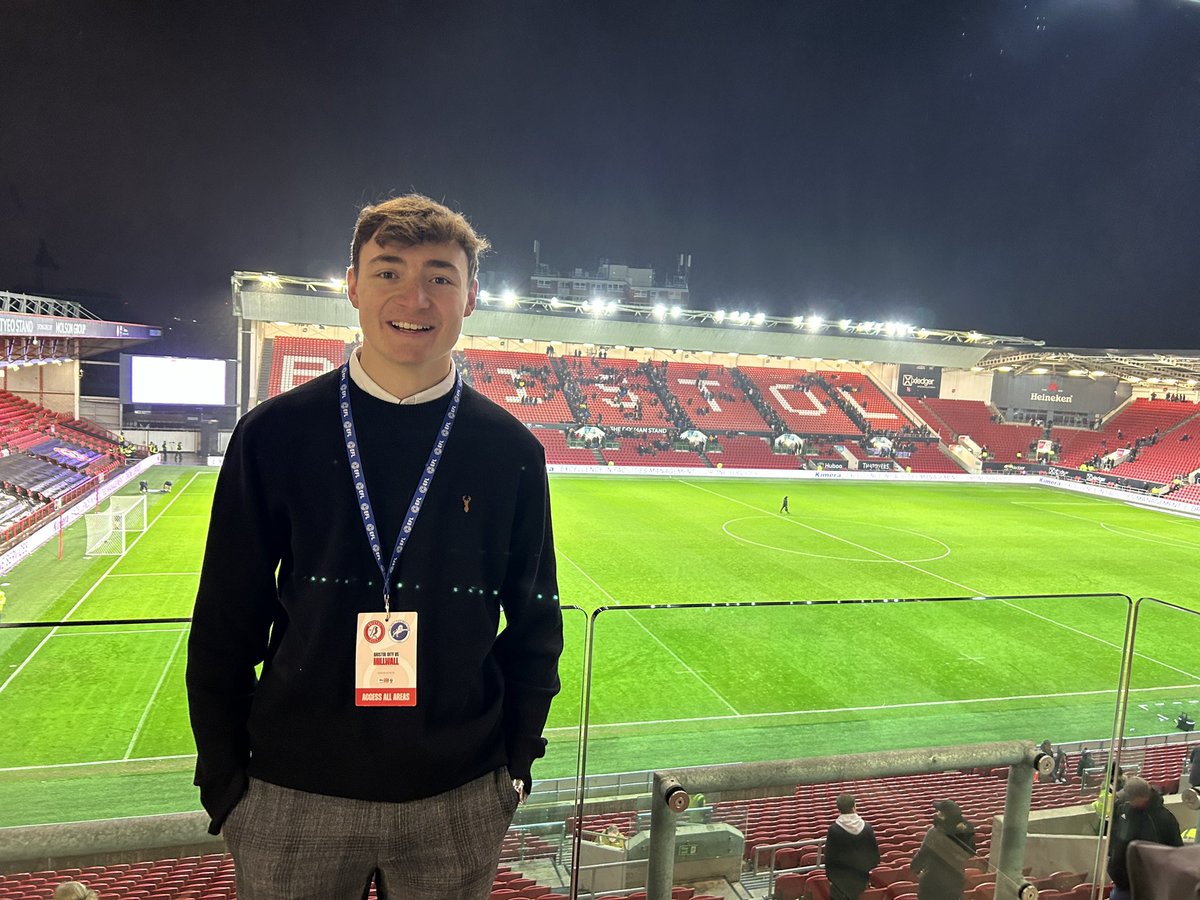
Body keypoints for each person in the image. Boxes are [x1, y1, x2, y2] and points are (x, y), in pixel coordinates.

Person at [186, 195, 564, 900]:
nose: (414, 298)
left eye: (440, 277)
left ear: (470, 297)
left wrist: (513, 765)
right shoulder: (272, 435)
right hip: (289, 794)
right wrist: (225, 782)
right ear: (353, 286)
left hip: (459, 797)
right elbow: (225, 620)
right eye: (388, 272)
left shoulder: (512, 451)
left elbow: (537, 622)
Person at [1107, 776, 1183, 900]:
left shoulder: (1164, 819)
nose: (1128, 801)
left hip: (1150, 884)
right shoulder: (1123, 811)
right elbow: (1115, 838)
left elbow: (1176, 850)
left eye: (1130, 798)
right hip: (1123, 883)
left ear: (1141, 798)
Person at [911, 800, 976, 900]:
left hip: (932, 881)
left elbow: (923, 853)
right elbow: (971, 853)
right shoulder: (966, 833)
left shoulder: (935, 832)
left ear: (945, 817)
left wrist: (915, 867)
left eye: (940, 812)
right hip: (955, 881)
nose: (937, 814)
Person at [825, 793, 880, 900]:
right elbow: (875, 857)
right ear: (854, 806)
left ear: (838, 809)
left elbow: (829, 858)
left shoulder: (833, 829)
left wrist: (831, 878)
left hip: (839, 884)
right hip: (861, 879)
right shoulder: (867, 828)